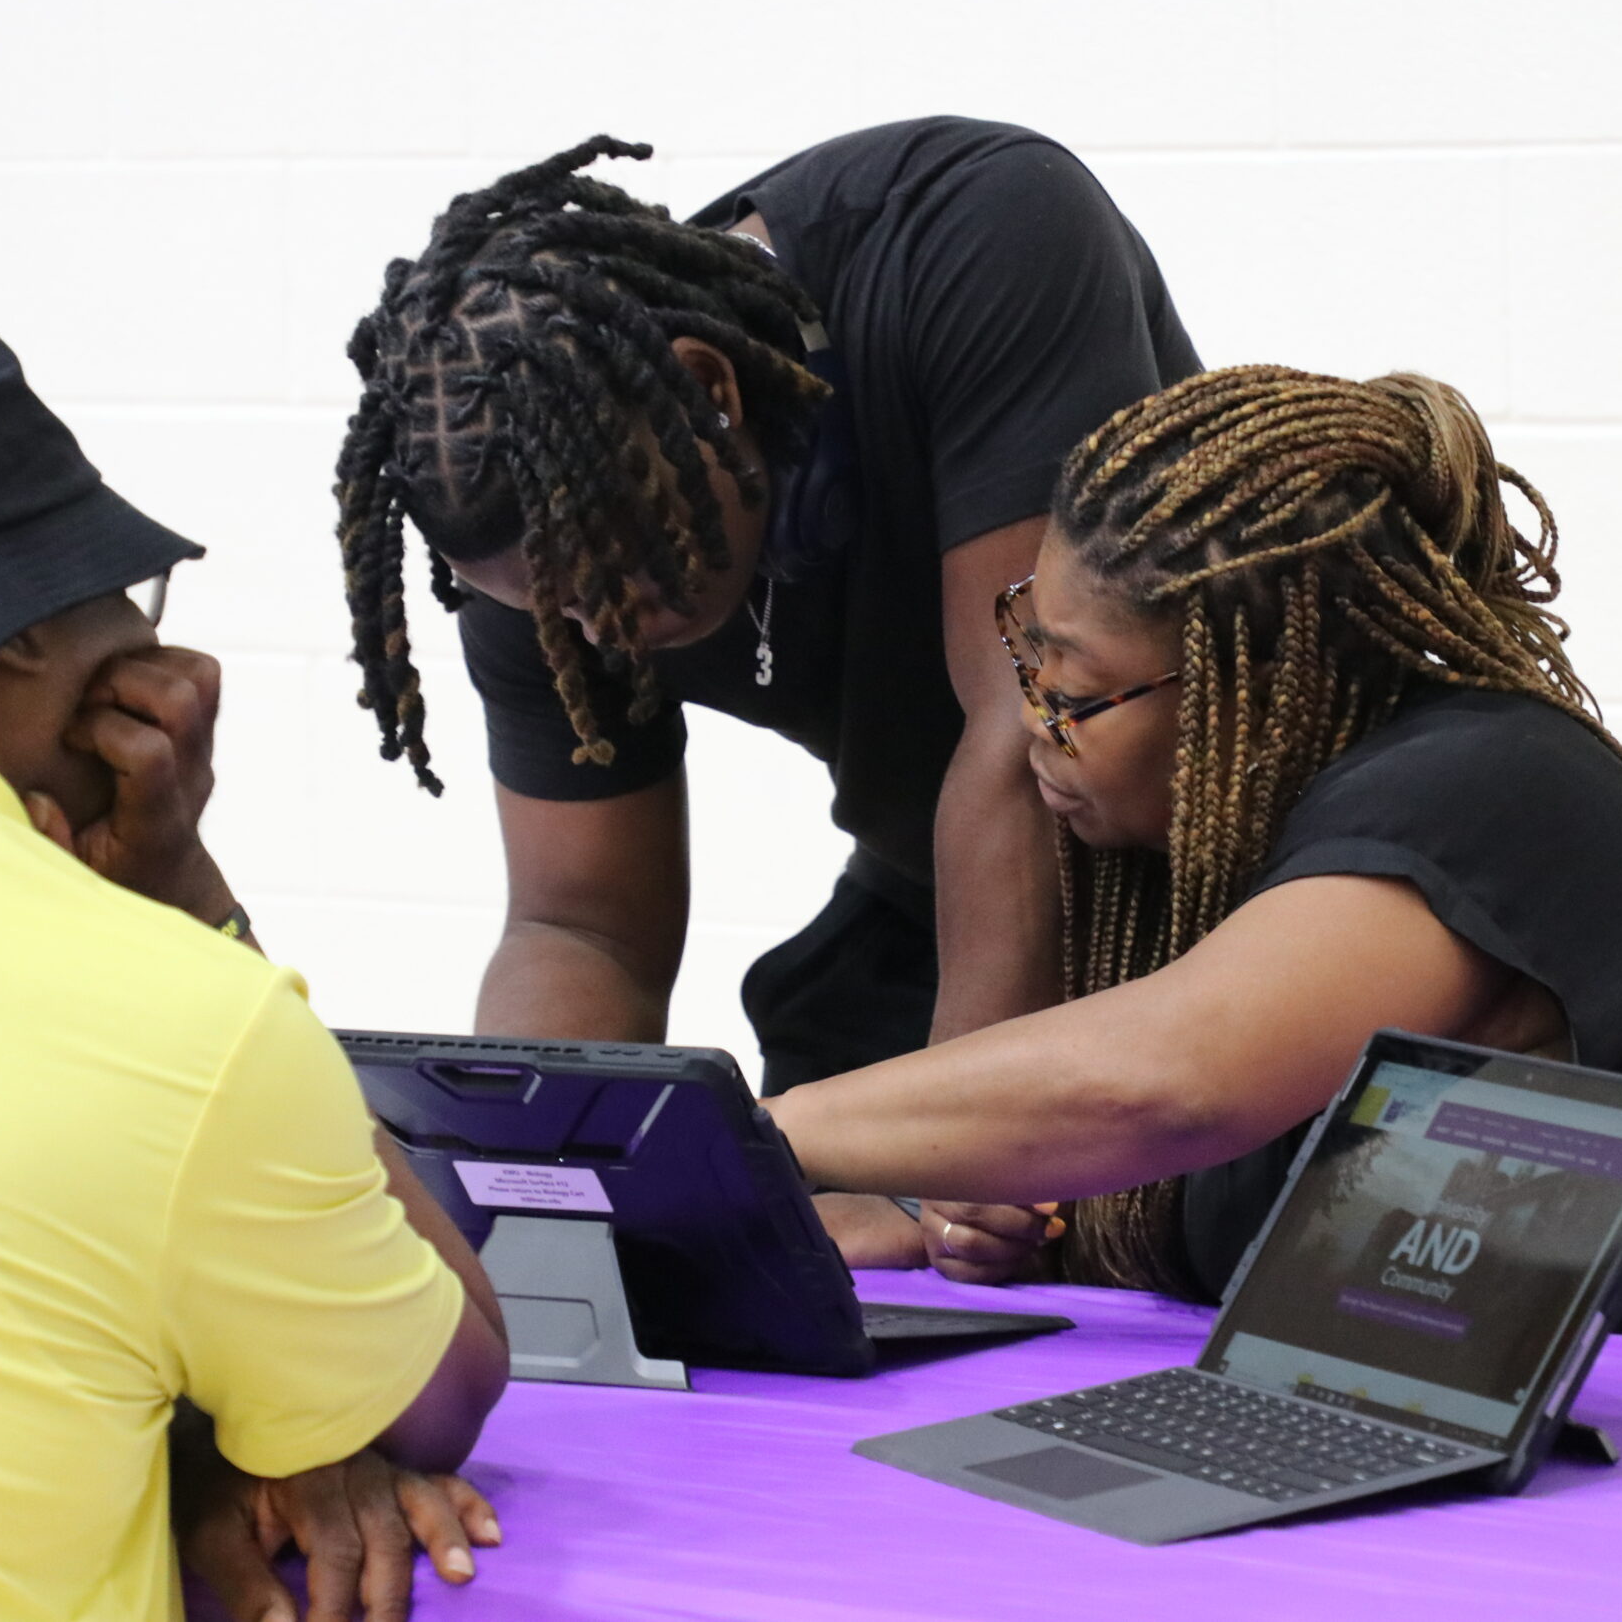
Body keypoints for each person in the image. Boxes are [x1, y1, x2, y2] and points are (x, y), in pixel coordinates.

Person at [765, 365, 1622, 1361]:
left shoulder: (1485, 792)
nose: (1032, 724)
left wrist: (750, 1128)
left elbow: (1168, 1077)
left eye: (1072, 691)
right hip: (1585, 1455)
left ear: (1254, 694)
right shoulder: (1203, 853)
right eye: (1027, 656)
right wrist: (1046, 1226)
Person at [0, 317, 511, 1622]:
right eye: (130, 599)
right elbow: (445, 1384)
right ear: (24, 634)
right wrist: (186, 898)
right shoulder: (171, 1011)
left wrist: (186, 1454)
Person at [330, 122, 1201, 1187]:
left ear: (710, 389)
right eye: (555, 615)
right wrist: (533, 1198)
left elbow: (1024, 727)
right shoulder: (524, 519)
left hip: (1214, 875)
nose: (601, 634)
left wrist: (938, 1179)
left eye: (622, 577)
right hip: (936, 904)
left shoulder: (973, 232)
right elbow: (581, 922)